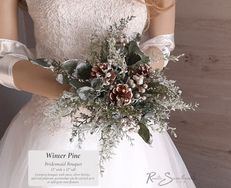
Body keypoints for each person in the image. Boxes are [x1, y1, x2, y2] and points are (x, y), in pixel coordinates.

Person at [0, 0, 196, 187]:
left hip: (126, 131)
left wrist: (128, 77)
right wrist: (76, 89)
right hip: (55, 130)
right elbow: (4, 57)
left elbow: (161, 43)